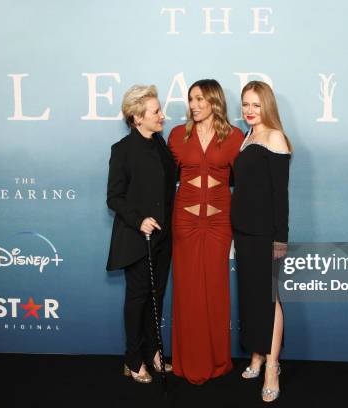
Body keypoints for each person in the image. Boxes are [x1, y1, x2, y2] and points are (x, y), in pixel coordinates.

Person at [167, 79, 244, 384]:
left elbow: (246, 182)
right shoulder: (176, 135)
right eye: (191, 100)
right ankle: (186, 363)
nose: (194, 105)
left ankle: (216, 361)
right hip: (184, 224)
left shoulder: (235, 136)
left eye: (200, 99)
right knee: (187, 292)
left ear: (214, 101)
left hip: (218, 225)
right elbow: (160, 179)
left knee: (214, 290)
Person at [106, 84, 176, 383]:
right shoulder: (122, 151)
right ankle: (133, 360)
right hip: (138, 238)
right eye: (156, 111)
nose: (162, 115)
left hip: (163, 237)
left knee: (156, 297)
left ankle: (154, 353)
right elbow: (114, 197)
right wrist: (139, 220)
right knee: (137, 299)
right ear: (137, 118)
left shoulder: (161, 145)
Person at [231, 81, 292, 402]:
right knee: (251, 297)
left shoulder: (275, 138)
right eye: (245, 105)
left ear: (267, 106)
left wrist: (280, 238)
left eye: (255, 105)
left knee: (268, 298)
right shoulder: (246, 138)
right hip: (242, 231)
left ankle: (272, 366)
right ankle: (256, 355)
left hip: (266, 234)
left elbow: (279, 195)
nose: (249, 111)